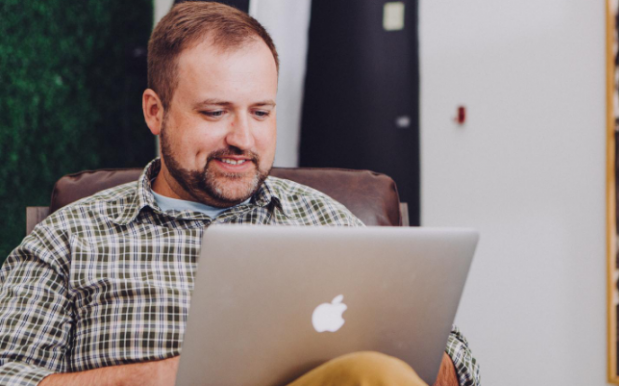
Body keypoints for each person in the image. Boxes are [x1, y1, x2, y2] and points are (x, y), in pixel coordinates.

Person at [0, 2, 480, 386]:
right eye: (215, 112)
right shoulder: (68, 239)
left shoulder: (326, 222)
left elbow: (458, 362)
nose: (243, 138)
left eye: (261, 112)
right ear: (155, 112)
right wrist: (175, 377)